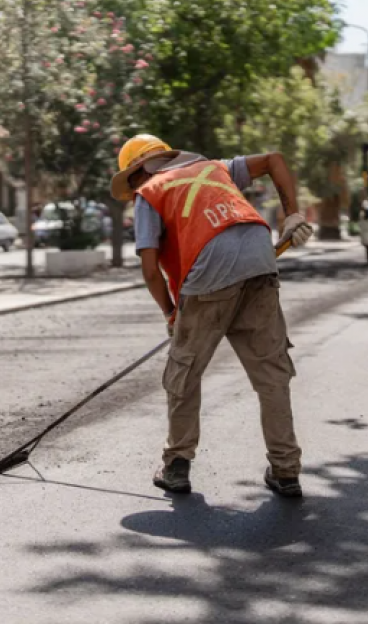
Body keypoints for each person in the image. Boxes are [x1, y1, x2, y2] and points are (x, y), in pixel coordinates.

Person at [110, 134, 313, 498]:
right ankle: (286, 471)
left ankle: (176, 467)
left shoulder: (149, 192)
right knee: (271, 376)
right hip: (259, 261)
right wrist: (291, 213)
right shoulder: (214, 167)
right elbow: (274, 158)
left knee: (183, 374)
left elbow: (150, 270)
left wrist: (171, 312)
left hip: (207, 277)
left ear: (137, 172)